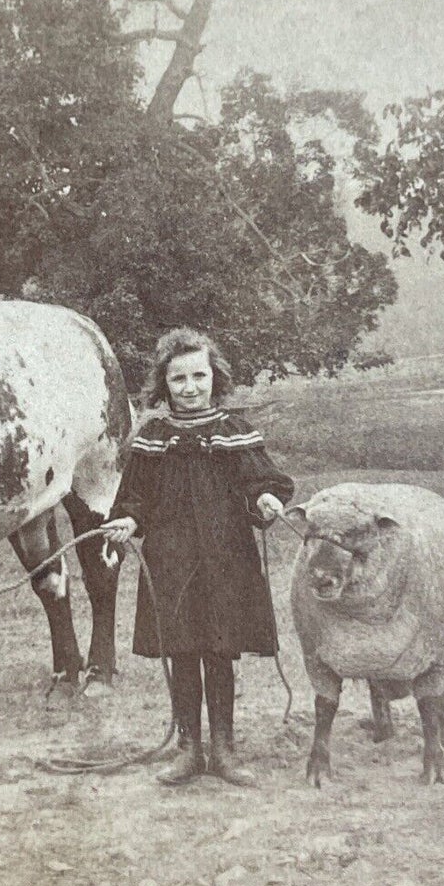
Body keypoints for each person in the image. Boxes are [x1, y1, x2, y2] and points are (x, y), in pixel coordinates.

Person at [103, 328, 293, 786]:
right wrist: (128, 521)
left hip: (227, 561)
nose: (190, 388)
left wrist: (266, 499)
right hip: (172, 561)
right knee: (183, 651)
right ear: (163, 384)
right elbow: (135, 499)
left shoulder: (236, 432)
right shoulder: (153, 438)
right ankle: (189, 748)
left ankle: (224, 750)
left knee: (220, 651)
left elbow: (261, 482)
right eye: (179, 379)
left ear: (215, 377)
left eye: (199, 376)